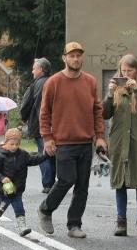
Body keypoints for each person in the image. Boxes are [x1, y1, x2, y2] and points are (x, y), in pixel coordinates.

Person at [37, 42, 106, 239]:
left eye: (78, 56)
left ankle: (74, 224)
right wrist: (47, 138)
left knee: (82, 186)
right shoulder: (53, 82)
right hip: (63, 142)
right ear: (64, 58)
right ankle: (45, 209)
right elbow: (44, 113)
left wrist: (100, 137)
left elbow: (97, 111)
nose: (76, 59)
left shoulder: (90, 82)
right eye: (72, 56)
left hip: (85, 141)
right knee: (67, 180)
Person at [103, 54, 137, 237]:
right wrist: (109, 95)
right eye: (123, 71)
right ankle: (121, 222)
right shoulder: (115, 89)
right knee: (120, 182)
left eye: (130, 70)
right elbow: (104, 114)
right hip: (119, 142)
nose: (126, 74)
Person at [0, 128, 48, 237]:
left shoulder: (23, 155)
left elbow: (33, 160)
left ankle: (22, 227)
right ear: (6, 143)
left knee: (19, 208)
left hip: (17, 189)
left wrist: (45, 155)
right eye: (12, 144)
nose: (14, 146)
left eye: (17, 144)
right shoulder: (0, 156)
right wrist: (1, 178)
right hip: (4, 191)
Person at [19, 58, 54, 192]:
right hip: (56, 125)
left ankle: (47, 184)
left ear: (41, 69)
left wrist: (24, 117)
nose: (32, 71)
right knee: (53, 153)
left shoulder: (36, 84)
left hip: (40, 125)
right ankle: (53, 183)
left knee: (43, 153)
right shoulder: (54, 81)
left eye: (34, 68)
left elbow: (26, 104)